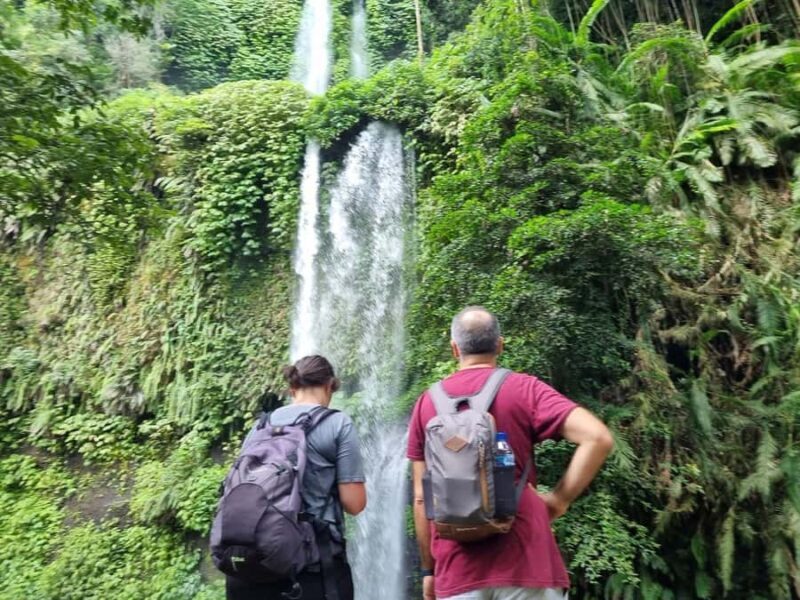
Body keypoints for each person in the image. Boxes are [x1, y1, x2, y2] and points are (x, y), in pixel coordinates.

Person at [408, 307, 614, 600]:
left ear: (455, 349)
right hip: (526, 559)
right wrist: (558, 500)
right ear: (500, 345)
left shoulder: (426, 404)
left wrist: (430, 571)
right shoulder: (524, 389)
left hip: (457, 568)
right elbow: (597, 437)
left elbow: (420, 497)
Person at [226, 355, 367, 600]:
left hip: (250, 565)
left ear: (293, 389)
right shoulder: (337, 423)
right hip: (310, 571)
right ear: (329, 386)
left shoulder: (260, 427)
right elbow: (354, 504)